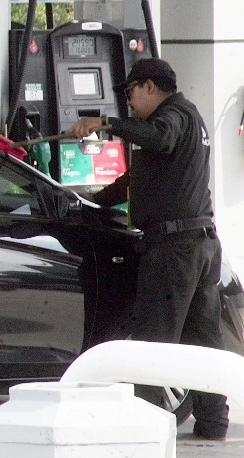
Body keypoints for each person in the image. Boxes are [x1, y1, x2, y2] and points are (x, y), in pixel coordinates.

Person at [68, 57, 229, 441]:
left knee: (153, 345)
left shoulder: (173, 117)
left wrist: (105, 123)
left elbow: (160, 137)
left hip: (175, 249)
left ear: (150, 87)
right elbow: (134, 181)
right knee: (202, 342)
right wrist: (85, 200)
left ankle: (146, 429)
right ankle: (213, 423)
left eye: (130, 92)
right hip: (200, 245)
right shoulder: (188, 119)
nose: (128, 101)